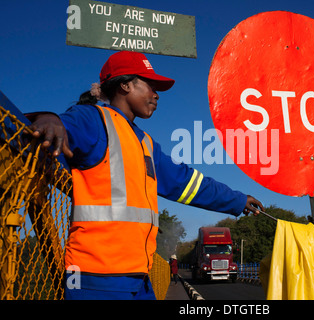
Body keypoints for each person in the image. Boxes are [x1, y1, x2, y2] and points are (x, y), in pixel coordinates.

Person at [27, 50, 264, 300]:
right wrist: (49, 118)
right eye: (150, 86)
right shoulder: (94, 119)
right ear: (125, 85)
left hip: (140, 279)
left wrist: (237, 200)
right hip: (94, 279)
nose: (156, 94)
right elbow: (58, 125)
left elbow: (189, 182)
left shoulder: (146, 143)